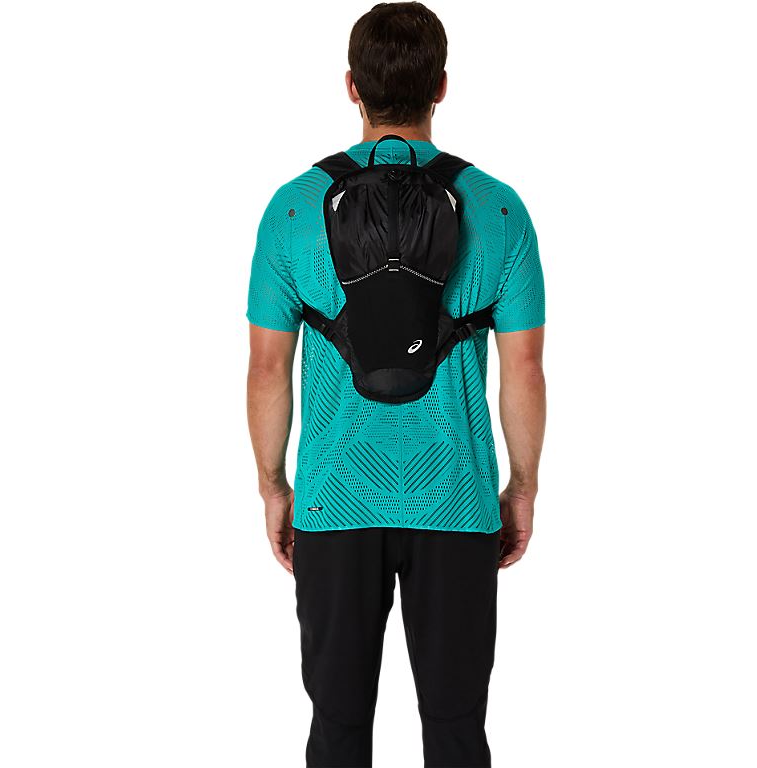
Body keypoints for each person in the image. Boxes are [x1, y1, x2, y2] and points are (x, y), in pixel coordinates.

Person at [245, 3, 546, 765]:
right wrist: (522, 486)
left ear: (352, 85)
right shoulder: (499, 209)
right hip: (456, 501)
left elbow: (268, 368)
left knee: (338, 729)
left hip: (335, 498)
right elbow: (523, 367)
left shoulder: (292, 208)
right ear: (441, 86)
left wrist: (274, 486)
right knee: (455, 728)